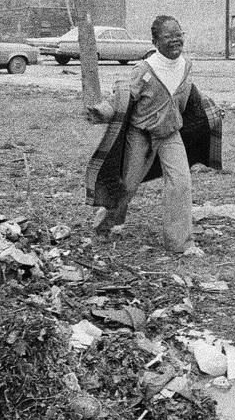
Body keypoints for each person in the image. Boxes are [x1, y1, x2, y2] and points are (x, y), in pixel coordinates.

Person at [84, 15, 223, 255]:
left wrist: (212, 111)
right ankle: (105, 223)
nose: (175, 41)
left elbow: (192, 97)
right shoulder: (144, 70)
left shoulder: (185, 66)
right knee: (128, 185)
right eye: (168, 37)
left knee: (181, 184)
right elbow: (123, 98)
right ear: (155, 41)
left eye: (179, 35)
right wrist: (101, 113)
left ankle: (180, 243)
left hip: (170, 134)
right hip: (141, 135)